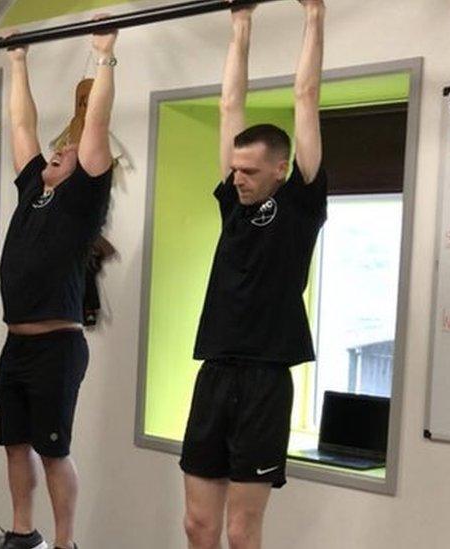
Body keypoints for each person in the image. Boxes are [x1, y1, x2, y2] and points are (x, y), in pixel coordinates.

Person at [180, 1, 327, 548]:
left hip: (266, 380)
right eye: (234, 169)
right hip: (215, 373)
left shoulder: (303, 203)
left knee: (242, 532)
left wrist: (314, 15)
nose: (235, 178)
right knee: (198, 525)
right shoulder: (233, 205)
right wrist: (240, 25)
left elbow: (306, 97)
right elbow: (228, 105)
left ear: (279, 170)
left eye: (248, 171)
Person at [0, 21, 118, 549]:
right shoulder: (32, 192)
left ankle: (65, 544)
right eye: (56, 151)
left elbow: (96, 129)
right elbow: (22, 125)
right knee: (15, 448)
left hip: (56, 348)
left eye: (66, 153)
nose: (56, 152)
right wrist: (16, 60)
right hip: (16, 345)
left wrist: (105, 57)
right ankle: (24, 534)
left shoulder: (81, 203)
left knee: (52, 452)